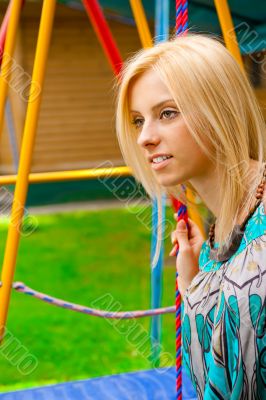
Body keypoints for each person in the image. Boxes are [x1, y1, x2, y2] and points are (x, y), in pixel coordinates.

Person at [115, 34, 266, 399]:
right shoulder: (223, 234)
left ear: (219, 108)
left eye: (167, 113)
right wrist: (195, 283)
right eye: (138, 120)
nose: (145, 138)